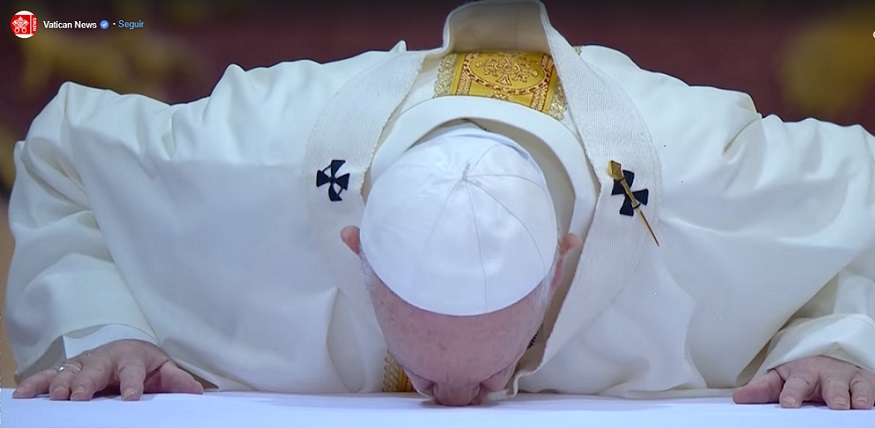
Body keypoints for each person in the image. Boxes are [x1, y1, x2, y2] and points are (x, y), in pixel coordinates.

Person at [6, 0, 875, 409]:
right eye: (422, 374)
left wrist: (836, 343)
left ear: (562, 260)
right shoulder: (250, 148)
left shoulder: (699, 165)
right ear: (353, 246)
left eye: (491, 371)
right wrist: (99, 326)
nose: (457, 406)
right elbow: (67, 151)